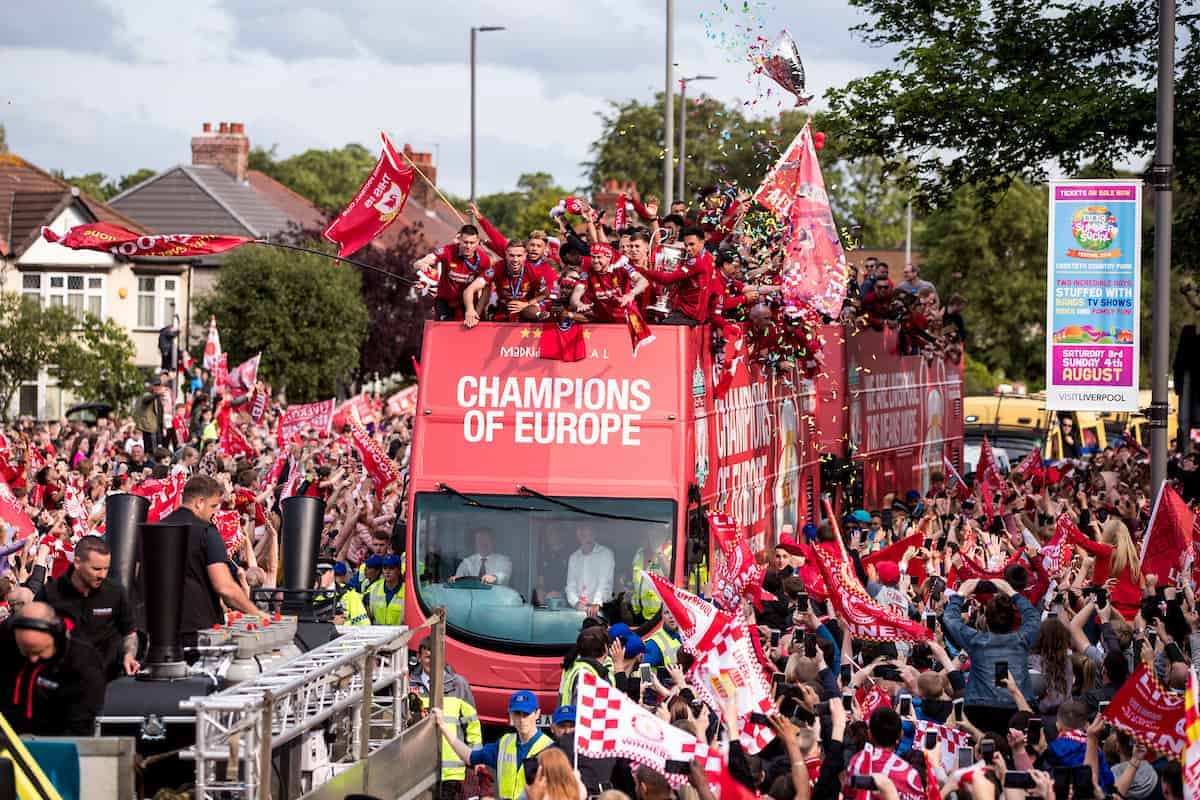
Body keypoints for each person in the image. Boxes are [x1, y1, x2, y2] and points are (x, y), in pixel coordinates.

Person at [163, 475, 267, 648]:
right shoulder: (207, 532)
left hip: (159, 631)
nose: (215, 513)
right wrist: (257, 613)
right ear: (199, 502)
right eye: (213, 506)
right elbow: (225, 587)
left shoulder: (158, 527)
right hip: (197, 632)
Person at [943, 578, 1040, 735]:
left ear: (985, 620)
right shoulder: (1023, 639)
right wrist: (1013, 593)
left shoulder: (975, 641)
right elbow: (1033, 617)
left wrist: (960, 594)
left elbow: (950, 619)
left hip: (980, 710)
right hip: (1017, 706)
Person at [38, 535, 138, 680]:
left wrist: (129, 655)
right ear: (77, 563)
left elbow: (129, 633)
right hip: (63, 680)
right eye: (96, 569)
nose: (102, 575)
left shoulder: (115, 592)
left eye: (106, 569)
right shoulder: (51, 592)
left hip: (107, 679)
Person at [0, 602, 105, 735]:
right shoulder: (5, 645)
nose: (33, 659)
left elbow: (79, 726)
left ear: (56, 636)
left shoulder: (83, 662)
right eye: (25, 651)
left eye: (39, 651)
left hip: (57, 743)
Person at [434, 689, 555, 800]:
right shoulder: (505, 743)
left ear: (537, 714)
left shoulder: (551, 748)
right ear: (511, 715)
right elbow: (469, 757)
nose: (522, 719)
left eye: (526, 714)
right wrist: (444, 728)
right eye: (517, 713)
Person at [413, 642, 481, 800]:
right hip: (420, 773)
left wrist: (477, 759)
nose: (433, 661)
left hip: (453, 773)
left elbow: (472, 725)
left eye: (437, 656)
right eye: (428, 657)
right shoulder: (410, 685)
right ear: (419, 658)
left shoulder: (459, 684)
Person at [414, 224, 495, 322]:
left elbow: (487, 289)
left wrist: (477, 311)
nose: (468, 246)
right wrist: (423, 264)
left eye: (472, 243)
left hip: (468, 305)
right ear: (459, 239)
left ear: (477, 242)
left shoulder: (484, 259)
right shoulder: (448, 250)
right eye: (465, 242)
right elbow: (421, 262)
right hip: (445, 302)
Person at [640, 226, 715, 326]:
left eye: (692, 244)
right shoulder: (707, 257)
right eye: (686, 245)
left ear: (702, 242)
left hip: (689, 314)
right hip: (695, 312)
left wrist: (646, 271)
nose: (688, 248)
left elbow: (668, 279)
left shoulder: (697, 262)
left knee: (662, 329)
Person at [565, 525, 614, 614]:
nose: (587, 538)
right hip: (579, 611)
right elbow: (570, 586)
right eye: (583, 534)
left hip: (602, 610)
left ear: (595, 534)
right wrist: (576, 603)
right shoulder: (574, 557)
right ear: (578, 534)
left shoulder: (605, 554)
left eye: (590, 534)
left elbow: (604, 583)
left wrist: (596, 603)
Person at [366, 553, 404, 625]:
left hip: (401, 634)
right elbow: (367, 616)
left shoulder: (407, 591)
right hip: (378, 634)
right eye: (385, 568)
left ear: (399, 571)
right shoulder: (373, 588)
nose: (387, 571)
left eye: (391, 568)